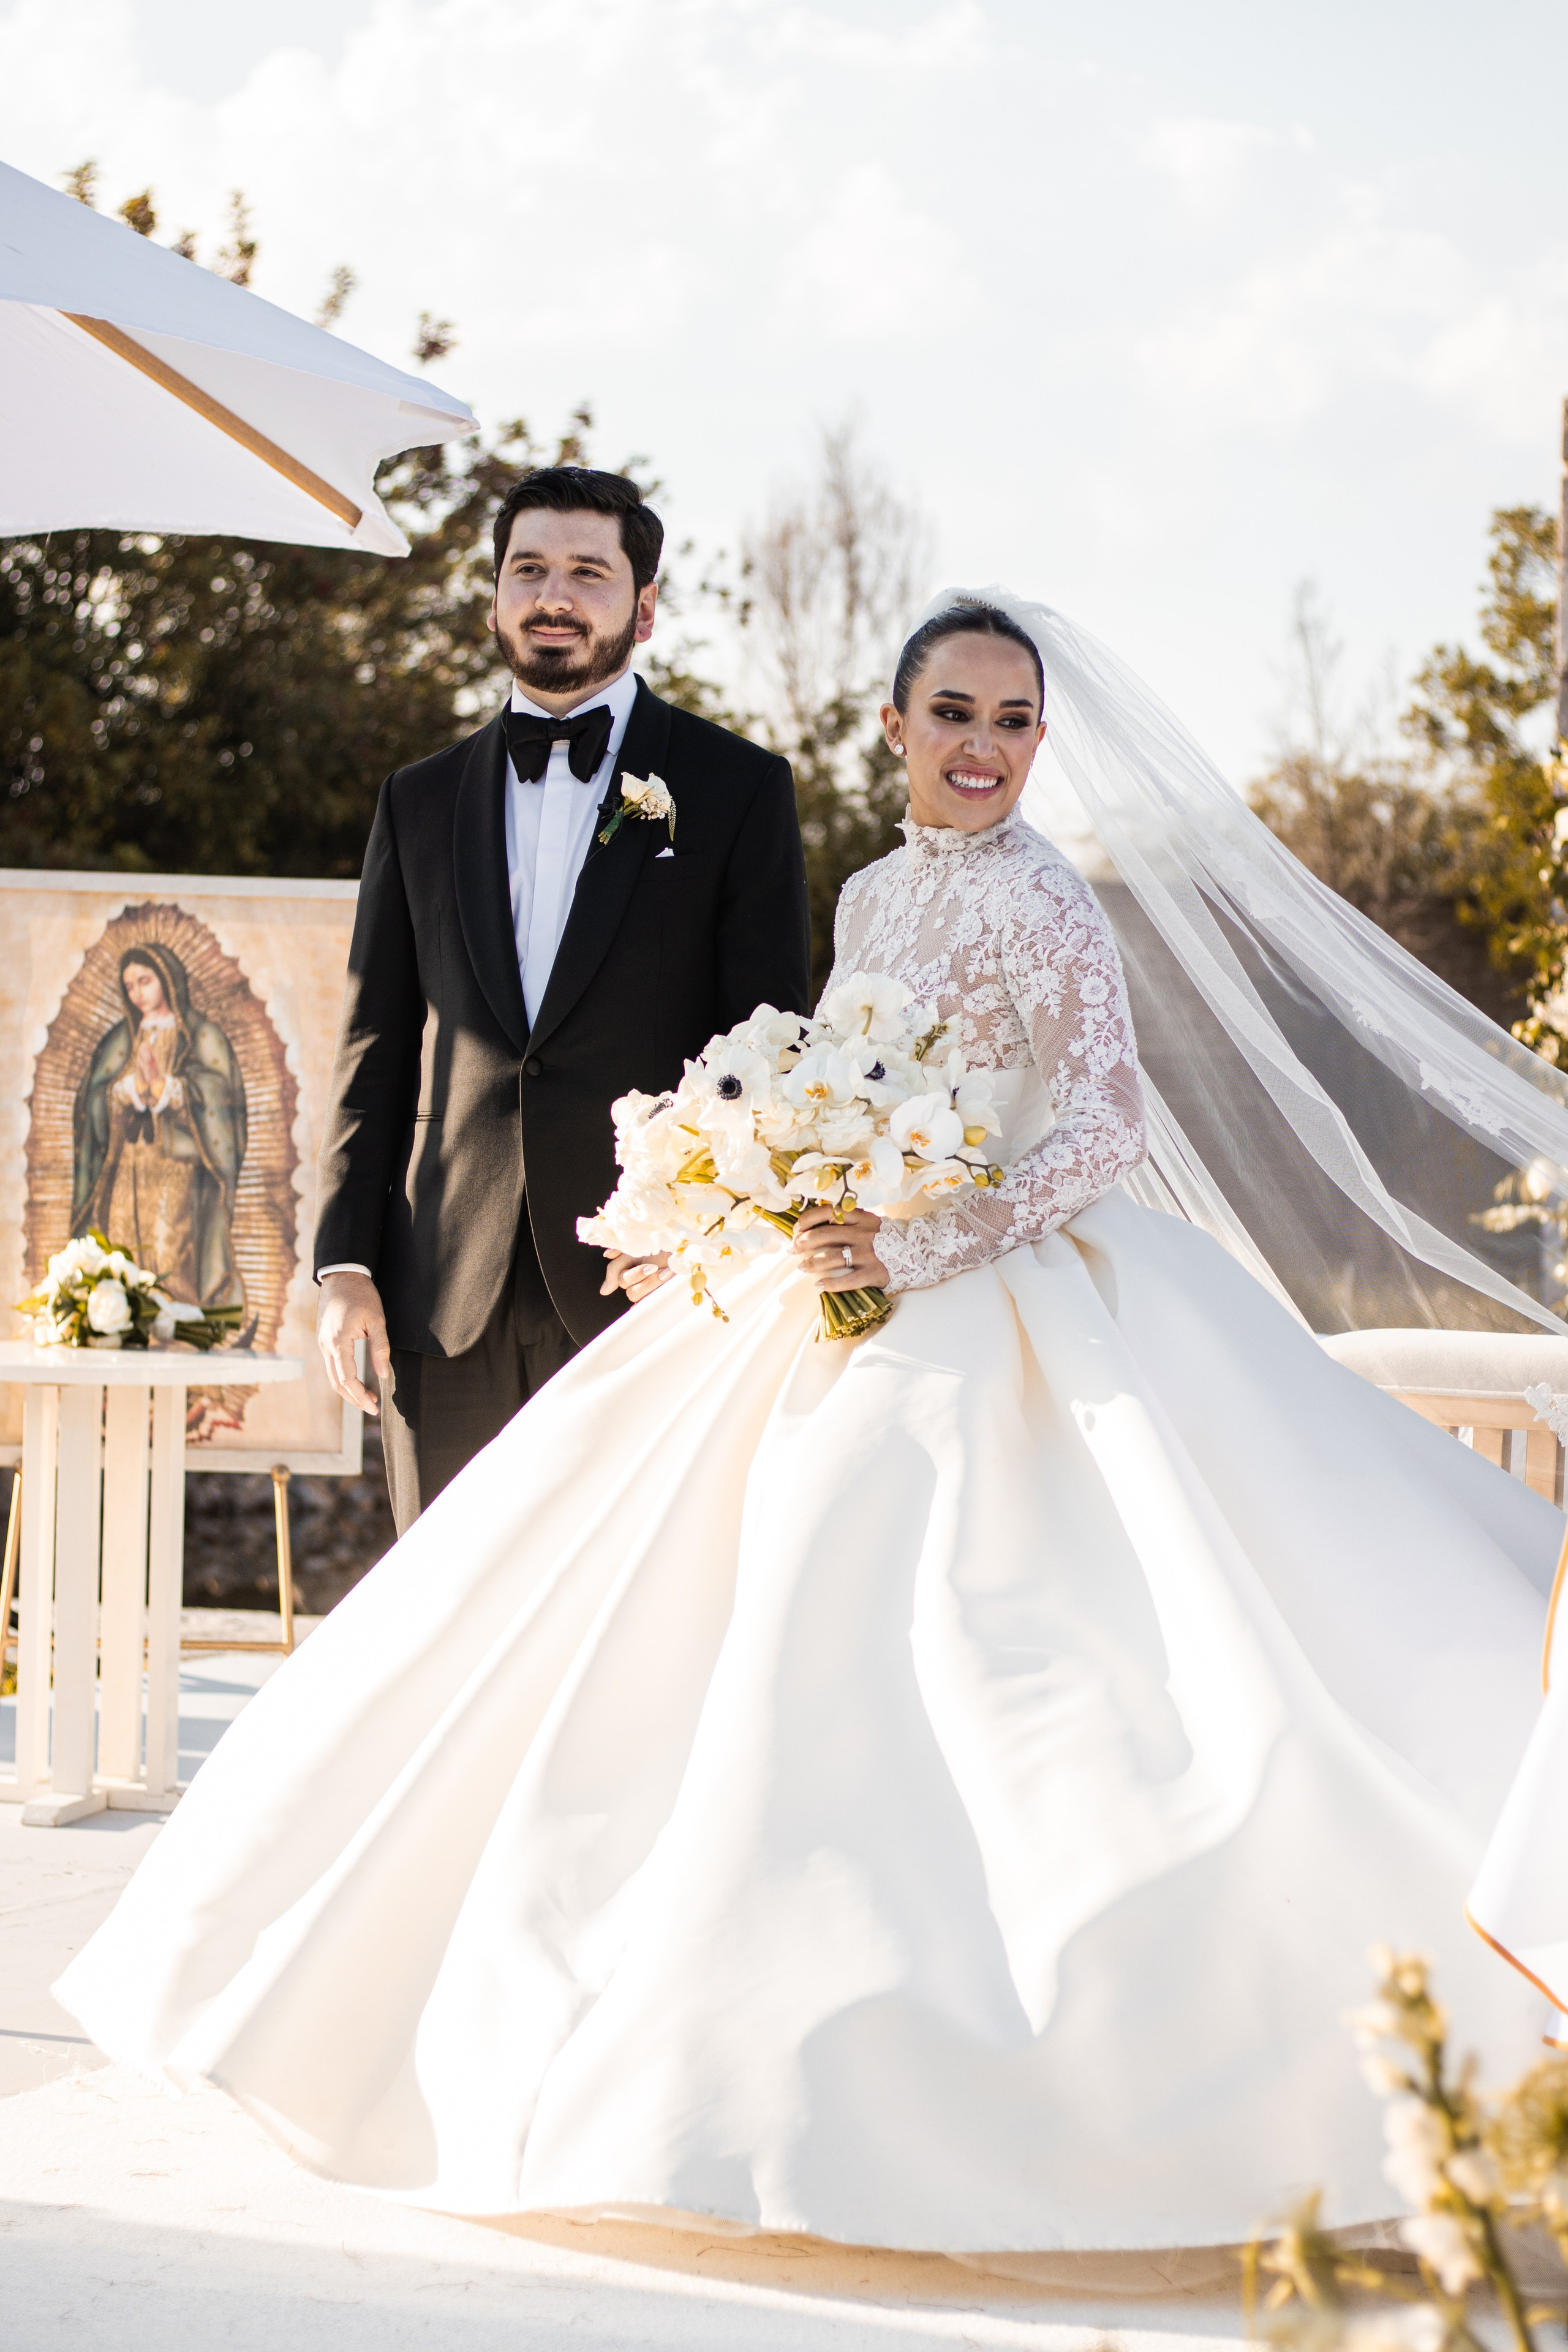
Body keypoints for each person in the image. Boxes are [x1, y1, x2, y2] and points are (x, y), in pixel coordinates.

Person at [58, 595, 1564, 2261]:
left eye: (1013, 721)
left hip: (1003, 1290)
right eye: (955, 713)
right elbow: (832, 1084)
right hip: (826, 1281)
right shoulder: (866, 892)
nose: (984, 747)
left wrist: (917, 1239)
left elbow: (1101, 1126)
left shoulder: (1051, 902)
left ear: (1039, 744)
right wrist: (745, 1203)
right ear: (898, 727)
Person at [312, 465, 810, 1529]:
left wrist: (711, 1239)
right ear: (493, 597)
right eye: (528, 569)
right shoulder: (418, 799)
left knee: (627, 1617)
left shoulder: (735, 788)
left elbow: (766, 1049)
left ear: (644, 607)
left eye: (589, 572)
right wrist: (345, 1263)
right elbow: (376, 1046)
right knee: (443, 1606)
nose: (554, 596)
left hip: (651, 1287)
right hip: (442, 1297)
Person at [72, 943, 246, 1315]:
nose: (137, 993)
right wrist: (127, 1091)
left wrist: (169, 1089)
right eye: (130, 986)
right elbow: (95, 1097)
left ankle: (178, 1326)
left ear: (167, 980)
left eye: (144, 981)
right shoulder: (122, 1038)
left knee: (171, 1246)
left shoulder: (199, 1034)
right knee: (124, 1242)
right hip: (128, 1165)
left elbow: (221, 1094)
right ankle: (132, 1324)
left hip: (177, 1165)